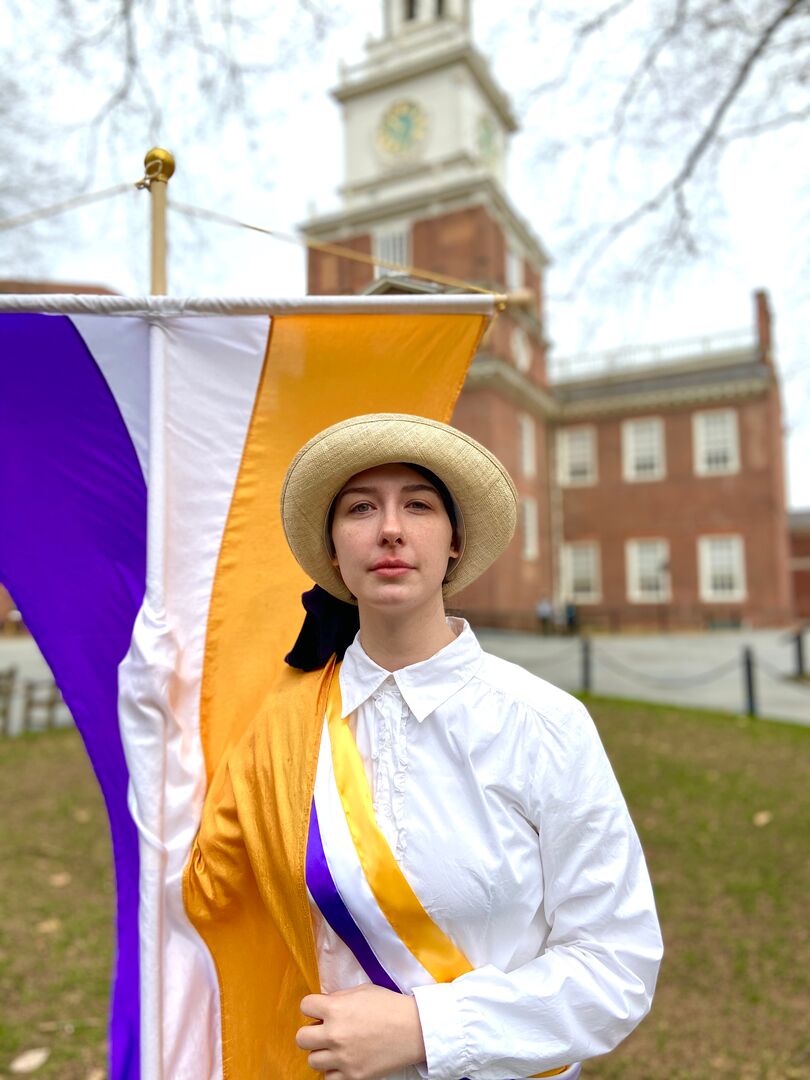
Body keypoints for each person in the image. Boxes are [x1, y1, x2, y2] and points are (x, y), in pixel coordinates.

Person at [278, 413, 663, 1080]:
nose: (390, 528)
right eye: (361, 507)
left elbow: (616, 964)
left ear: (454, 541)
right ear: (333, 550)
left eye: (419, 505)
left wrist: (429, 1029)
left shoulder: (546, 724)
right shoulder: (281, 732)